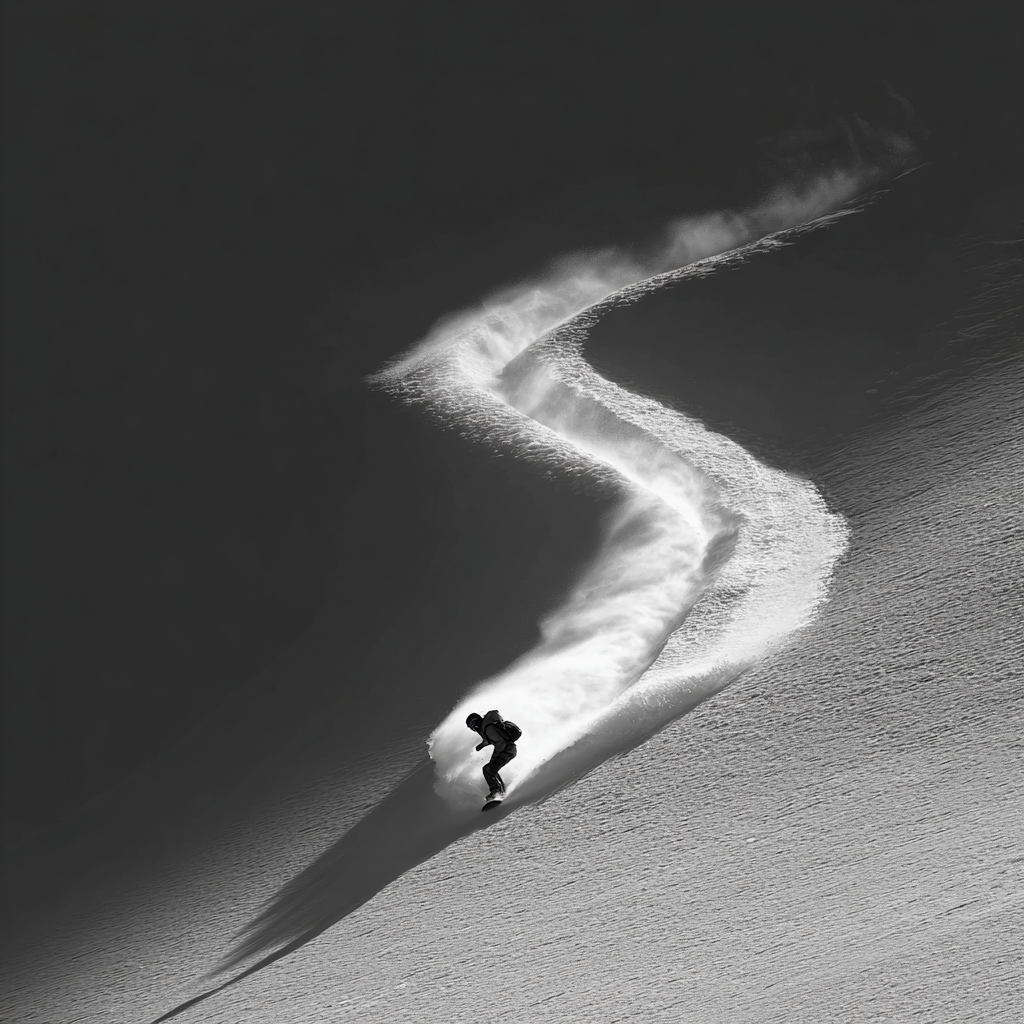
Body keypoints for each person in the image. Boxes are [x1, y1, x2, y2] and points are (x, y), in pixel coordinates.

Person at [466, 709, 519, 801]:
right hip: (508, 749)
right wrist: (481, 746)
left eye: (472, 726)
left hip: (508, 750)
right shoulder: (486, 727)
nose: (473, 729)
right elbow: (491, 739)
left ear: (475, 722)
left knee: (488, 770)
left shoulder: (488, 728)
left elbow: (501, 743)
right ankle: (501, 791)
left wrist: (494, 756)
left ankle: (497, 792)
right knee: (490, 769)